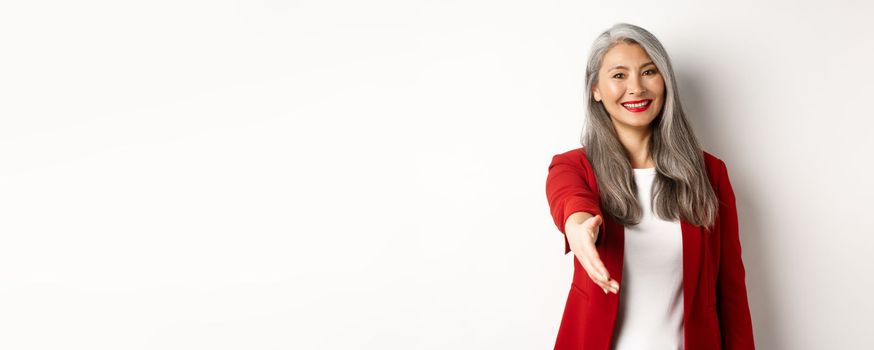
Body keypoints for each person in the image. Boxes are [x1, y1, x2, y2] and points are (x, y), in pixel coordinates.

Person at [544, 23, 755, 350]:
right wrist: (579, 229)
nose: (636, 87)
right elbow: (570, 202)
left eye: (648, 72)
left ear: (665, 82)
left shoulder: (710, 173)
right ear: (595, 89)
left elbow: (731, 294)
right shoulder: (573, 166)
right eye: (618, 75)